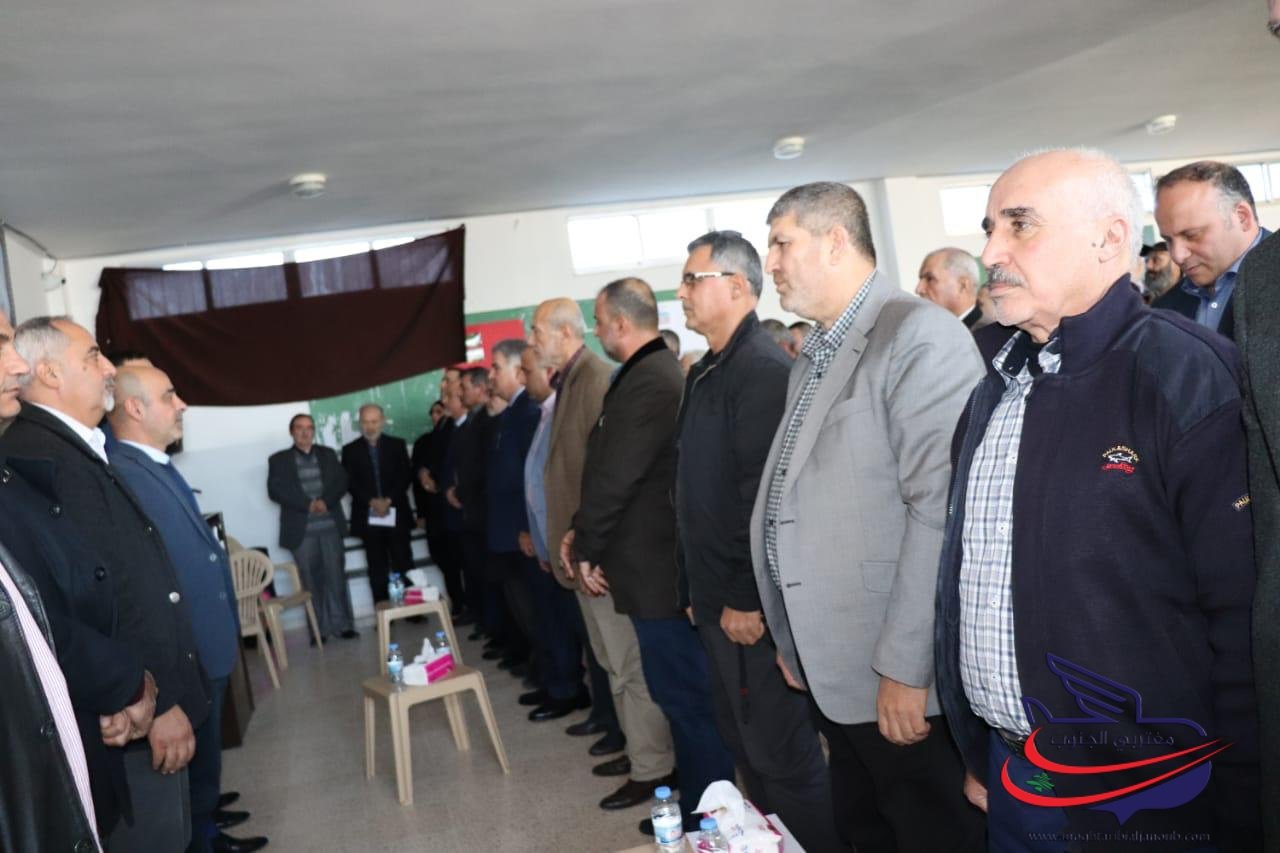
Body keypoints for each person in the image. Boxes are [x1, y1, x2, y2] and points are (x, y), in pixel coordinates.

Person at [936, 148, 1260, 848]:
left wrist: (1243, 803)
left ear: (1110, 239)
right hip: (1014, 770)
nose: (990, 252)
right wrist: (979, 747)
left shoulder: (1185, 372)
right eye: (990, 228)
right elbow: (974, 579)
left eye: (1020, 225)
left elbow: (1244, 615)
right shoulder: (996, 382)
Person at [752, 182, 985, 852]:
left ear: (835, 241)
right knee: (868, 829)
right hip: (837, 663)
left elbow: (939, 510)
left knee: (931, 833)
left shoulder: (916, 334)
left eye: (782, 243)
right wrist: (794, 638)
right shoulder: (817, 351)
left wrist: (907, 668)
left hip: (896, 672)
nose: (771, 263)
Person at [1, 316, 210, 853]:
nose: (109, 369)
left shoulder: (76, 444)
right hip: (118, 705)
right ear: (51, 373)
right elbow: (86, 596)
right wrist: (141, 691)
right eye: (93, 356)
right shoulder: (37, 453)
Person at [675, 231, 841, 851]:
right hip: (716, 601)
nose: (681, 292)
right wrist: (693, 587)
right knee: (747, 749)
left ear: (738, 287)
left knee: (782, 759)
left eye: (693, 280)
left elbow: (767, 501)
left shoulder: (762, 371)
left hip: (751, 610)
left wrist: (747, 596)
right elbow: (693, 492)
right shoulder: (708, 371)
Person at [565, 278, 731, 829]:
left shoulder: (652, 380)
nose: (595, 330)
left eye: (598, 320)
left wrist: (586, 544)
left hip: (659, 572)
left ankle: (708, 817)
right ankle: (698, 805)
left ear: (620, 322)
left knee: (686, 699)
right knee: (676, 696)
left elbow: (618, 475)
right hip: (648, 571)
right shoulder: (640, 375)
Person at [107, 366, 267, 853]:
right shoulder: (125, 474)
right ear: (135, 408)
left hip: (204, 644)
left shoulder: (155, 465)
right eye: (169, 396)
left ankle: (209, 822)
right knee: (191, 768)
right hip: (183, 651)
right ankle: (205, 838)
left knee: (206, 758)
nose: (182, 405)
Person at [533, 296, 672, 810]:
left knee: (628, 666)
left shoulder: (594, 379)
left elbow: (610, 476)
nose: (532, 342)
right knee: (614, 664)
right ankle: (638, 753)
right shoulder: (573, 380)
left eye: (537, 331)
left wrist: (589, 544)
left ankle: (653, 767)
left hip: (601, 554)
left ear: (564, 332)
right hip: (583, 550)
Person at [1152, 160, 1270, 339]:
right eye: (1168, 240)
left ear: (1242, 218)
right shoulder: (1164, 309)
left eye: (1192, 235)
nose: (1177, 255)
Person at [267, 413, 356, 641]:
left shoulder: (328, 454)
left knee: (336, 577)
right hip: (301, 532)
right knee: (310, 581)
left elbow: (342, 482)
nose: (305, 432)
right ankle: (319, 631)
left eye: (309, 427)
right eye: (300, 428)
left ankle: (343, 626)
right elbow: (275, 491)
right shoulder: (278, 460)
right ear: (292, 432)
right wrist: (308, 504)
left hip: (330, 527)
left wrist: (326, 501)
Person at [341, 404, 413, 603]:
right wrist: (372, 501)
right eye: (366, 422)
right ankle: (383, 610)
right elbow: (349, 482)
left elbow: (406, 476)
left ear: (382, 421)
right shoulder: (350, 450)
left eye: (374, 421)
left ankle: (413, 610)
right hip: (368, 516)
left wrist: (388, 500)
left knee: (404, 563)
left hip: (397, 513)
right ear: (360, 423)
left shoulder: (397, 445)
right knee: (376, 567)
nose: (370, 427)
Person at [412, 393, 470, 622]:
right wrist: (422, 475)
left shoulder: (455, 435)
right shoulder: (423, 442)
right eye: (434, 412)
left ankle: (470, 605)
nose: (438, 416)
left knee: (463, 558)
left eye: (441, 411)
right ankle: (457, 602)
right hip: (433, 511)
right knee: (443, 558)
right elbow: (416, 479)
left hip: (454, 508)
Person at [916, 247, 986, 329]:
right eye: (921, 279)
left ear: (962, 286)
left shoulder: (987, 333)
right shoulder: (936, 329)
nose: (918, 289)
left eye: (930, 279)